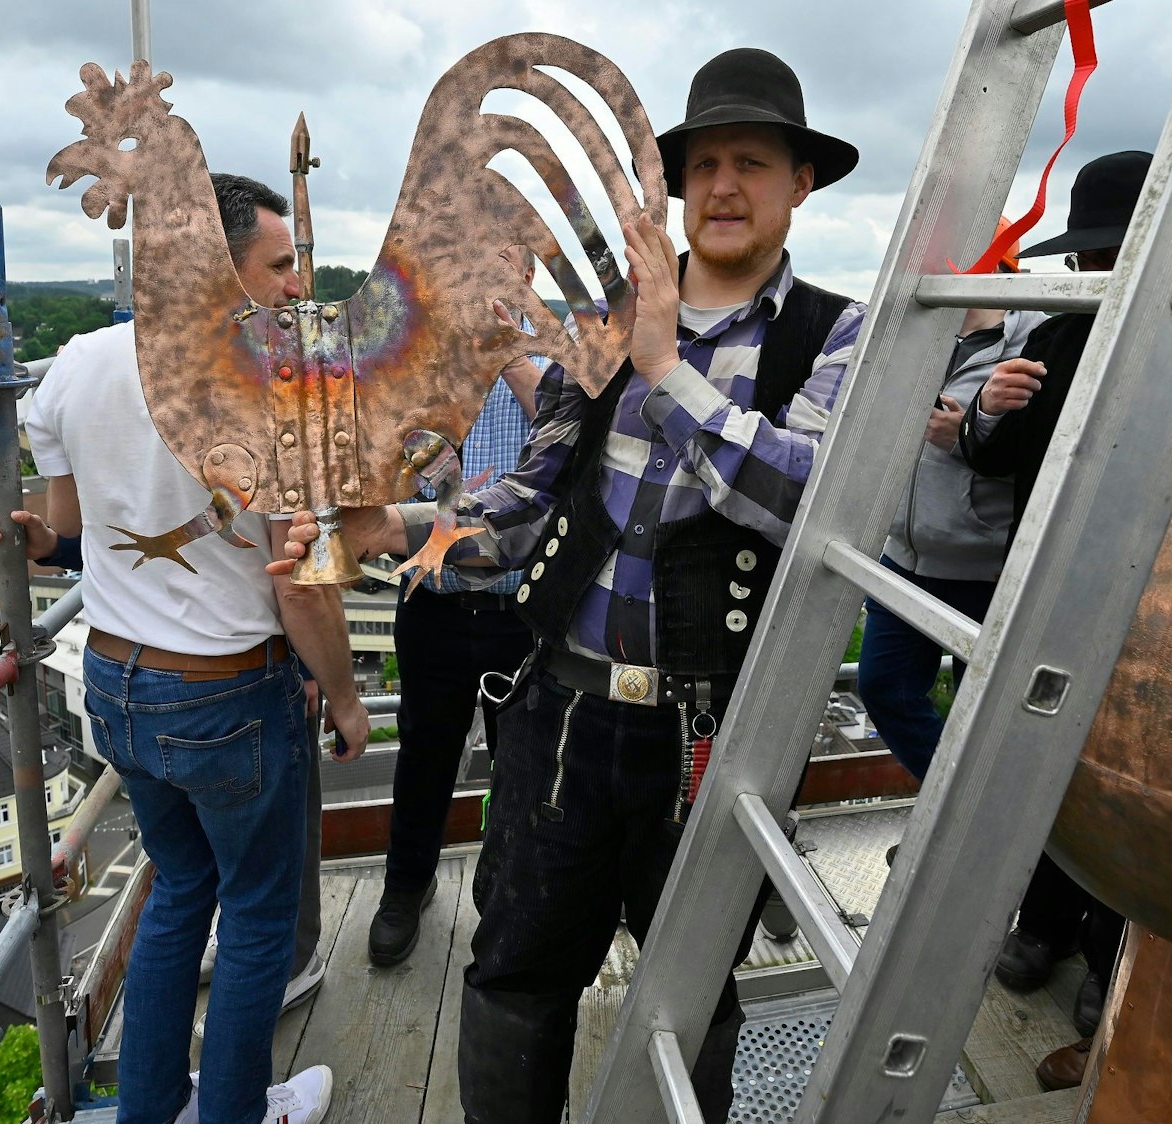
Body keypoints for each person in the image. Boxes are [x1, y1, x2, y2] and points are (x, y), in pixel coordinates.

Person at [278, 47, 864, 1124]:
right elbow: (530, 498)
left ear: (800, 184)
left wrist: (664, 370)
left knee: (692, 996)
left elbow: (805, 499)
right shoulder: (603, 335)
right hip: (564, 715)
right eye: (706, 165)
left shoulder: (838, 334)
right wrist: (399, 527)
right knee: (515, 979)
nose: (724, 186)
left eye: (754, 162)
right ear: (680, 186)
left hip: (714, 732)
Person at [0, 172, 367, 1124]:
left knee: (180, 889)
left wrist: (26, 538)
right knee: (261, 920)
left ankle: (152, 1110)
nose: (293, 289)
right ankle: (236, 1112)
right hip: (225, 693)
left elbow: (63, 528)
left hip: (117, 681)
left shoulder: (74, 365)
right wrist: (347, 699)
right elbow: (296, 579)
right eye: (279, 266)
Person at [958, 150, 1172, 1095]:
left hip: (1148, 616)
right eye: (1089, 261)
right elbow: (998, 462)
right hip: (1047, 592)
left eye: (1111, 254)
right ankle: (1045, 926)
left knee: (1122, 778)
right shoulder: (1060, 343)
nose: (1095, 275)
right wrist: (985, 419)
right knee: (1045, 772)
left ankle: (1101, 946)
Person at [367, 245, 546, 967]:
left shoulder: (556, 365)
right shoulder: (413, 369)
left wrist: (511, 358)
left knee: (524, 764)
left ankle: (508, 897)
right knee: (425, 754)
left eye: (504, 265)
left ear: (527, 276)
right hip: (436, 604)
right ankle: (406, 888)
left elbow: (585, 451)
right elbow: (390, 485)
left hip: (523, 610)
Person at [858, 221, 1043, 783]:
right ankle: (953, 805)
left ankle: (967, 828)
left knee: (981, 716)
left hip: (983, 568)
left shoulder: (1035, 342)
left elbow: (1046, 453)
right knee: (883, 688)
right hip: (905, 559)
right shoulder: (906, 335)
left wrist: (969, 433)